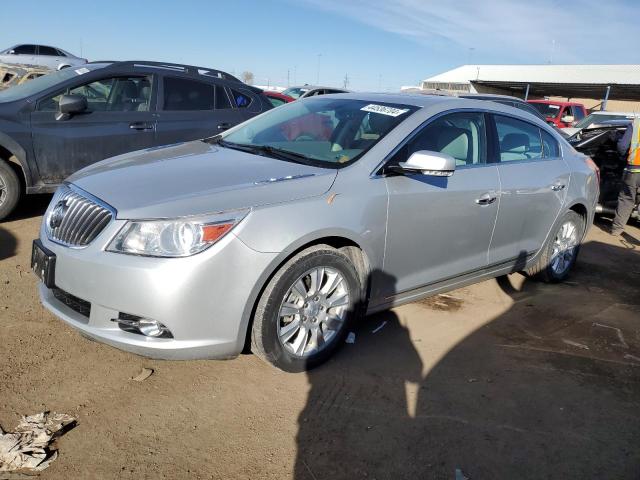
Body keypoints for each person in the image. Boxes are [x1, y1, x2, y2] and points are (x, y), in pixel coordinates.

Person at [611, 118, 640, 235]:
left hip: (633, 170)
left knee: (626, 200)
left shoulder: (636, 124)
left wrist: (616, 139)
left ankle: (616, 230)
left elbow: (622, 147)